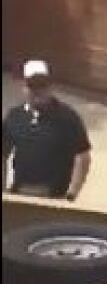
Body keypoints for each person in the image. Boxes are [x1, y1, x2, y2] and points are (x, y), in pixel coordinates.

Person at [2, 60, 91, 200]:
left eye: (42, 85)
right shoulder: (15, 116)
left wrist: (72, 194)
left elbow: (82, 156)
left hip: (54, 197)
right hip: (20, 193)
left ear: (50, 86)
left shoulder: (67, 118)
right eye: (32, 86)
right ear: (24, 87)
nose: (38, 91)